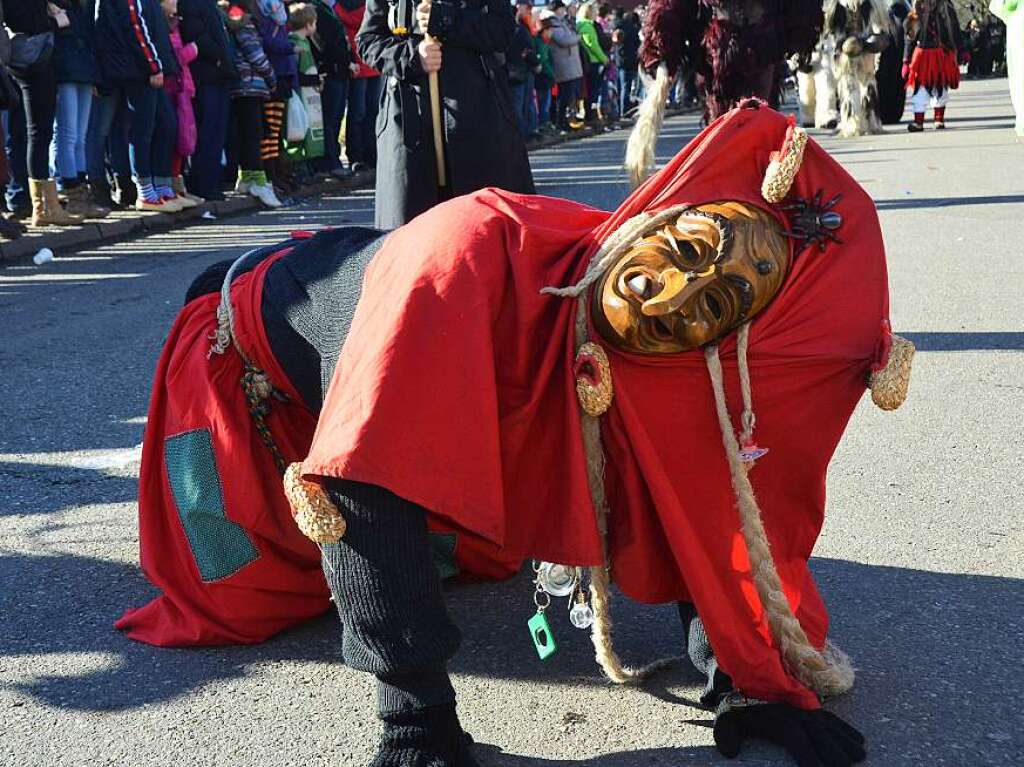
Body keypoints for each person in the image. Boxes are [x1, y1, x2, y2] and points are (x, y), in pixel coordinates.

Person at [121, 101, 913, 767]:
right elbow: (357, 480)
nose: (676, 291)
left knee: (475, 540)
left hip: (374, 340)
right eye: (690, 250)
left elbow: (701, 501)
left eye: (716, 304)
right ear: (663, 217)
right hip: (242, 364)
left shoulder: (662, 353)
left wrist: (736, 676)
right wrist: (415, 718)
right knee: (239, 587)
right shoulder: (461, 259)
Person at [355, 0, 535, 228]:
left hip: (479, 119)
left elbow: (503, 31)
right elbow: (367, 41)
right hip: (410, 125)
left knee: (484, 232)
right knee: (414, 240)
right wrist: (411, 57)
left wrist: (445, 19)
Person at [627, 0, 823, 185]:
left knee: (757, 127)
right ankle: (731, 186)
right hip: (722, 53)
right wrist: (662, 49)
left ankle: (752, 186)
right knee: (726, 130)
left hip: (756, 45)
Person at [95, 0, 183, 212]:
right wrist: (154, 66)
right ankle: (145, 191)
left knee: (157, 126)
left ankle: (160, 188)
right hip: (135, 68)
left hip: (132, 66)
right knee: (141, 130)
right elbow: (137, 29)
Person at [4, 0, 83, 226]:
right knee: (38, 132)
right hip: (31, 57)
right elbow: (23, 19)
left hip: (27, 57)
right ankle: (43, 206)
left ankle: (41, 203)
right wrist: (55, 21)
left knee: (31, 133)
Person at [52, 0, 109, 219]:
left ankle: (81, 193)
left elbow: (89, 38)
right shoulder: (53, 7)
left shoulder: (81, 7)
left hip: (84, 69)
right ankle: (69, 192)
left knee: (80, 137)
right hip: (65, 71)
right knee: (67, 134)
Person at [179, 0, 239, 202]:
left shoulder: (208, 5)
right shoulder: (192, 5)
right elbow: (198, 36)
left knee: (216, 132)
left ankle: (210, 181)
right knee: (208, 132)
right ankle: (203, 183)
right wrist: (220, 57)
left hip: (219, 74)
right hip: (207, 75)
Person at [225, 0, 283, 207]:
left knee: (245, 133)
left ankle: (247, 176)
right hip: (250, 83)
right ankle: (258, 179)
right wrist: (271, 78)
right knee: (254, 134)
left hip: (239, 84)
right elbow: (255, 53)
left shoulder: (229, 14)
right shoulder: (242, 19)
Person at [819, 0, 893, 137]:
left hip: (856, 45)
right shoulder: (872, 4)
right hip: (852, 46)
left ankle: (857, 123)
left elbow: (829, 28)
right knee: (858, 83)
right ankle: (865, 122)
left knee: (855, 84)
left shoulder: (869, 5)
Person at [251, 0, 298, 194]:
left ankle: (277, 172)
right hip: (274, 77)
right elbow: (268, 44)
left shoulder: (278, 23)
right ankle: (270, 173)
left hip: (283, 77)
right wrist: (289, 47)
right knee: (270, 130)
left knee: (276, 130)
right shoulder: (266, 22)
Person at [307, 0, 355, 178]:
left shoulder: (328, 8)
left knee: (335, 119)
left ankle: (330, 161)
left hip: (340, 72)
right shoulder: (317, 8)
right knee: (329, 120)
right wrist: (345, 61)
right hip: (330, 71)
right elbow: (323, 44)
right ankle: (328, 162)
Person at [902, 0, 966, 131]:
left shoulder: (946, 7)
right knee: (920, 90)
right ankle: (918, 122)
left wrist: (961, 49)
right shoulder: (916, 10)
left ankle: (939, 119)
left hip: (941, 54)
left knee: (940, 86)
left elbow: (955, 30)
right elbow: (910, 38)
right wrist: (906, 61)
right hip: (922, 55)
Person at [161, 0, 202, 208]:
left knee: (184, 138)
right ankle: (169, 186)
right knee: (173, 137)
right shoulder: (161, 25)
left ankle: (179, 186)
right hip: (170, 88)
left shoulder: (175, 24)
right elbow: (172, 58)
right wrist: (192, 50)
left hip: (183, 87)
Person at [335, 0, 380, 175]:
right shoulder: (343, 7)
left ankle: (368, 155)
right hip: (358, 66)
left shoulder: (341, 8)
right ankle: (358, 156)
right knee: (359, 114)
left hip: (370, 65)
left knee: (369, 113)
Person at [542, 2, 584, 132]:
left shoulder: (562, 22)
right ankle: (559, 122)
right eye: (562, 9)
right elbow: (564, 40)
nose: (564, 11)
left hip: (569, 64)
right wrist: (577, 38)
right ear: (557, 9)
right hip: (563, 64)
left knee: (568, 95)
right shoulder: (553, 23)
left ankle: (564, 121)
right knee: (563, 96)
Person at [508, 0, 541, 140]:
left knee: (523, 105)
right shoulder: (518, 30)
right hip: (519, 71)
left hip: (517, 71)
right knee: (521, 105)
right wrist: (535, 62)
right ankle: (524, 133)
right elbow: (527, 50)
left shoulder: (520, 28)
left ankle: (527, 131)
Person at [991, 0, 1023, 137]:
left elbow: (998, 6)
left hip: (1018, 30)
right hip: (1018, 30)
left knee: (1020, 78)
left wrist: (1008, 15)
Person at [576, 2, 608, 123]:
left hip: (587, 61)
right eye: (594, 11)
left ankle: (589, 113)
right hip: (594, 61)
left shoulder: (580, 25)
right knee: (593, 90)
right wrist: (604, 59)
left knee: (589, 90)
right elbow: (593, 45)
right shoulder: (588, 26)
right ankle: (590, 115)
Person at [613, 6, 641, 116]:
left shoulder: (616, 27)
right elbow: (637, 44)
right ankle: (624, 110)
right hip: (630, 60)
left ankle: (620, 109)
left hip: (619, 59)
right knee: (626, 86)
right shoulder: (631, 28)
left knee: (620, 86)